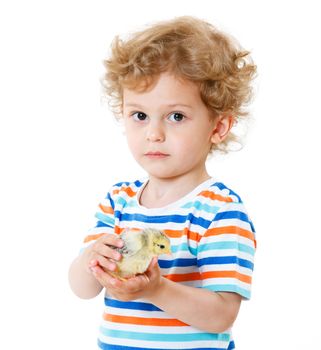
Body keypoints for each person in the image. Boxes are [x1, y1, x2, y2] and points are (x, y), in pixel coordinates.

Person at [69, 16, 257, 350]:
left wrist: (156, 290)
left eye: (176, 116)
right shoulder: (119, 200)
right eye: (139, 116)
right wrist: (90, 261)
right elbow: (82, 288)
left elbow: (221, 315)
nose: (154, 133)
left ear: (218, 127)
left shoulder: (220, 212)